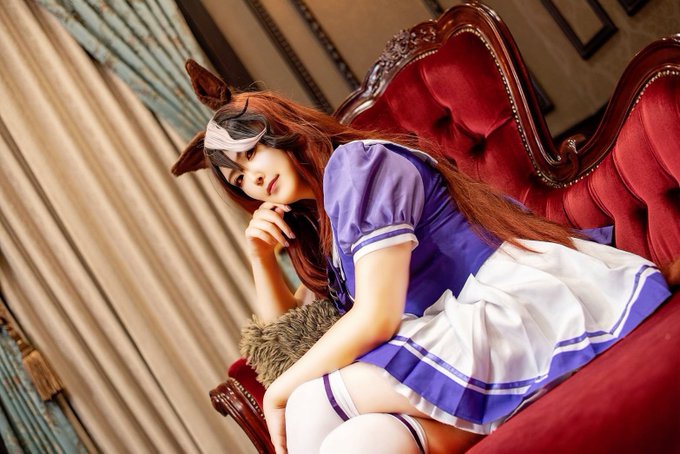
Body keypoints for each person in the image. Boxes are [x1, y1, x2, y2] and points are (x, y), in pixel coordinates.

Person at [174, 90, 673, 454]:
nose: (253, 177)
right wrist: (261, 258)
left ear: (282, 129)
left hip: (505, 303)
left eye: (252, 153)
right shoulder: (329, 225)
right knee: (360, 442)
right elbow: (285, 336)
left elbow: (376, 318)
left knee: (308, 403)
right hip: (452, 334)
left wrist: (281, 394)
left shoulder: (355, 168)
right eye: (239, 177)